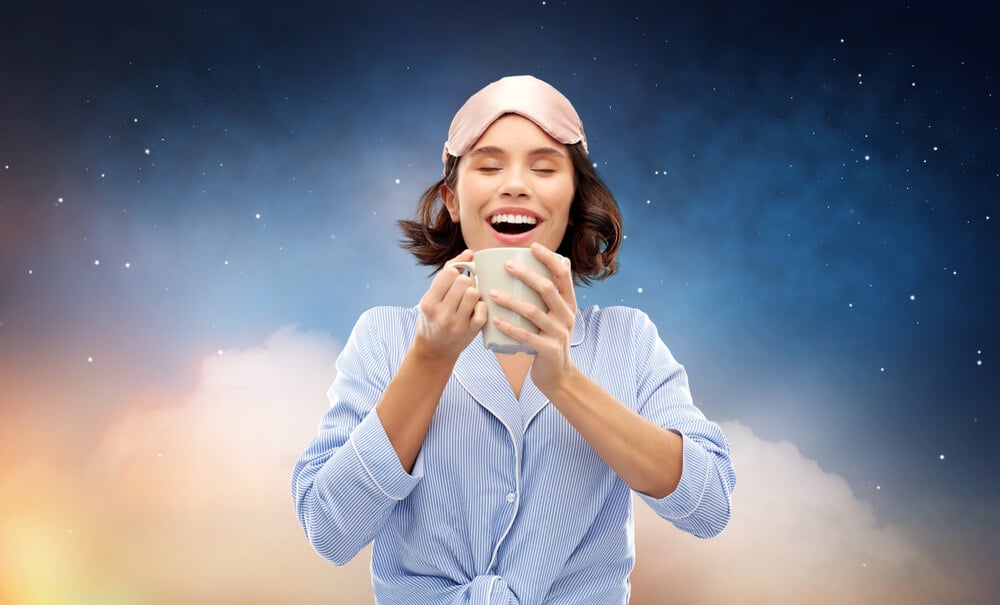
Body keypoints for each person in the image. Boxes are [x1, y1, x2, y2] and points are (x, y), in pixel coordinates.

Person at [292, 75, 735, 604]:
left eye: (545, 167)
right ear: (452, 201)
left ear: (573, 200)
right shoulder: (386, 338)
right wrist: (430, 359)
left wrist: (565, 382)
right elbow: (330, 531)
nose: (516, 184)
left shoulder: (628, 339)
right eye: (489, 165)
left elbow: (709, 507)